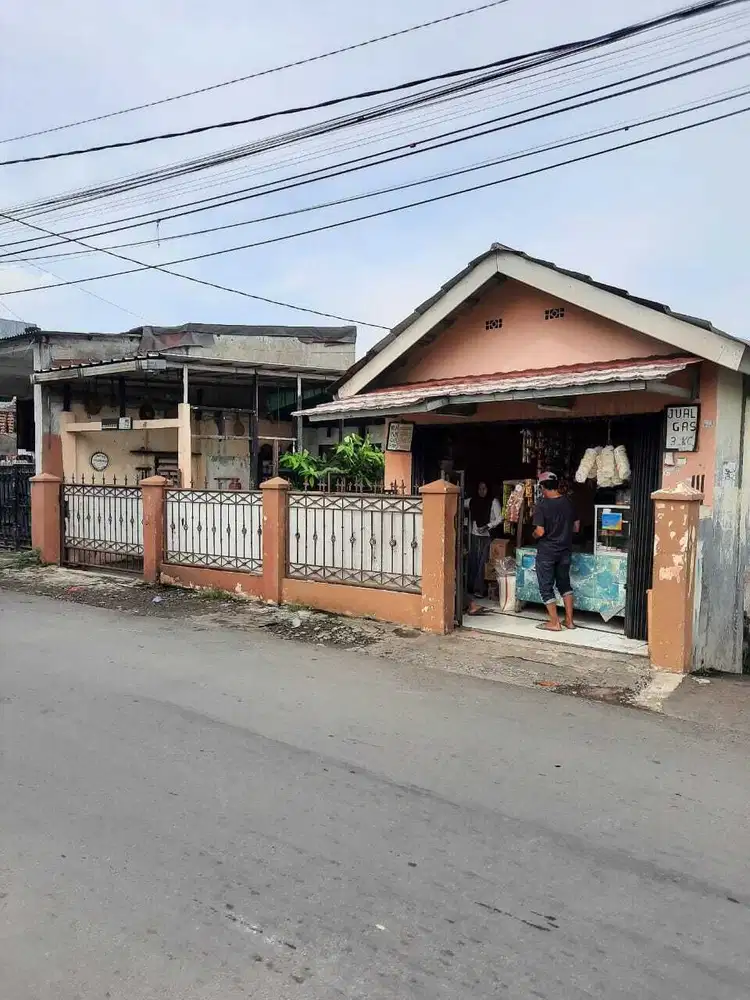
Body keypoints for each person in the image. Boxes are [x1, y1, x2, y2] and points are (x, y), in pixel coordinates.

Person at [532, 472, 580, 631]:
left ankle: (554, 623)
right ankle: (570, 621)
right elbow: (576, 527)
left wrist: (532, 535)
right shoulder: (569, 502)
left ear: (543, 487)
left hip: (547, 552)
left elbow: (539, 532)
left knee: (546, 587)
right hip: (565, 550)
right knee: (564, 584)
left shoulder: (542, 504)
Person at [467, 482, 502, 597]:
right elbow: (460, 502)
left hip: (487, 536)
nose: (482, 491)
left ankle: (480, 589)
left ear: (488, 489)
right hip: (475, 535)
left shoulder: (493, 502)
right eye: (479, 489)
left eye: (484, 488)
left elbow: (500, 519)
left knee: (483, 563)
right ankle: (471, 587)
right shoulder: (473, 501)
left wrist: (487, 526)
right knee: (473, 561)